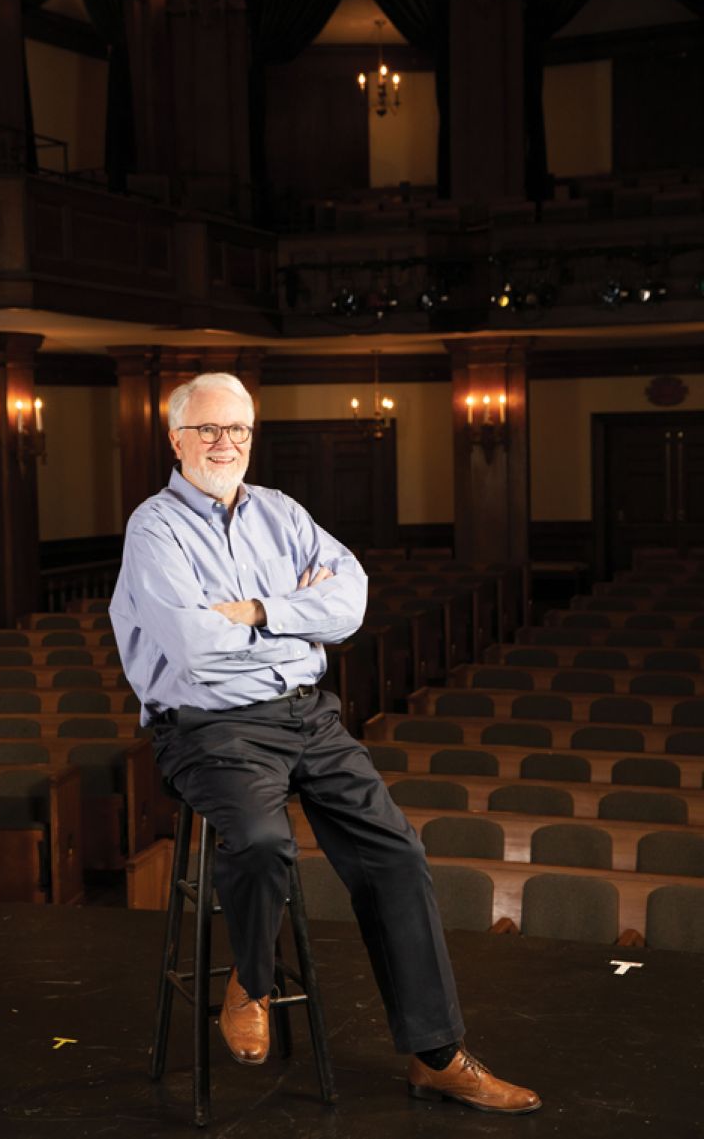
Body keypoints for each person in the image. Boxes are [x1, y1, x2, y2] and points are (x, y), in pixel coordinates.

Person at [110, 371, 540, 1115]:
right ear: (176, 438)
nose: (225, 443)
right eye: (209, 429)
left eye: (238, 429)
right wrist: (293, 615)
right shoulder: (154, 528)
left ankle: (435, 1054)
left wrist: (252, 610)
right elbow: (191, 644)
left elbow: (349, 601)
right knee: (259, 840)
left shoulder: (282, 511)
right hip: (211, 727)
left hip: (309, 715)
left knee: (397, 853)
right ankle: (251, 975)